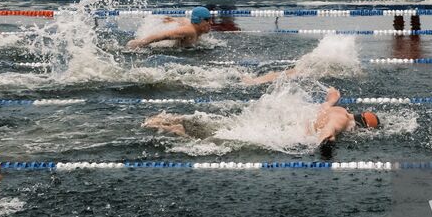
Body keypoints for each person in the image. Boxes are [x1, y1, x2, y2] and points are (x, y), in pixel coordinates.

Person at [142, 86, 379, 148]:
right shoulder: (343, 120)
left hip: (274, 125)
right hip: (278, 134)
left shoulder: (336, 109)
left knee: (220, 127)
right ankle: (175, 129)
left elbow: (327, 107)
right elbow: (330, 129)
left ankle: (168, 121)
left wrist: (332, 97)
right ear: (359, 124)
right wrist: (327, 142)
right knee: (212, 138)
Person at [126, 6, 214, 49]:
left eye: (210, 19)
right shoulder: (189, 31)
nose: (211, 23)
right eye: (207, 20)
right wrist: (140, 43)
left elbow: (183, 20)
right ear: (198, 20)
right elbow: (164, 35)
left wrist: (173, 19)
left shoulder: (191, 24)